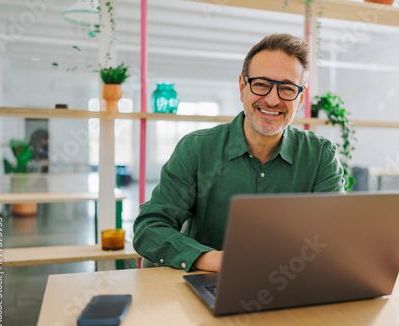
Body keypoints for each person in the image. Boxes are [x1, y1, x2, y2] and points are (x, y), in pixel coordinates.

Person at [133, 33, 345, 273]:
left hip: (291, 283)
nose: (273, 99)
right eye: (262, 84)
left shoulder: (320, 155)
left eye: (287, 88)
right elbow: (149, 229)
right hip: (207, 283)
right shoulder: (196, 149)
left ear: (300, 97)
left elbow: (334, 236)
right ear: (243, 87)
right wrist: (211, 259)